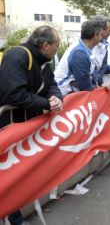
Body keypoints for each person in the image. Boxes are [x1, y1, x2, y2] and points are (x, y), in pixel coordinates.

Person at [0, 25, 63, 225]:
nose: (57, 49)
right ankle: (12, 216)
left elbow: (52, 85)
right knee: (8, 172)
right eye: (56, 45)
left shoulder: (44, 61)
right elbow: (13, 94)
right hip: (8, 125)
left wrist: (55, 98)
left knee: (19, 171)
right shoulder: (17, 56)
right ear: (45, 45)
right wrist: (46, 104)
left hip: (23, 124)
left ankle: (15, 213)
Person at [55, 20, 103, 96]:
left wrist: (95, 83)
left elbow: (93, 70)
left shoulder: (86, 47)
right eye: (101, 35)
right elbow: (84, 85)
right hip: (65, 93)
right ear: (95, 35)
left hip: (73, 91)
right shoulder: (79, 53)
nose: (102, 38)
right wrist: (98, 88)